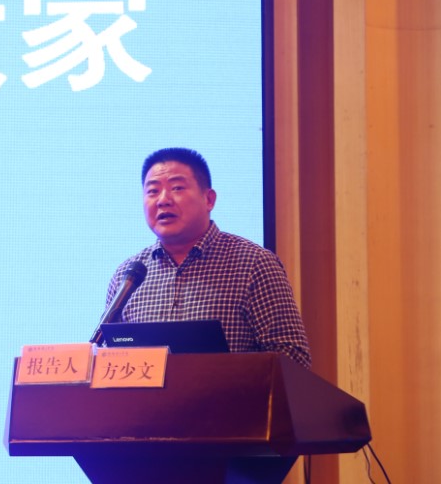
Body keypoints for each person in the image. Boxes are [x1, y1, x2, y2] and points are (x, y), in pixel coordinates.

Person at [105, 147, 311, 368]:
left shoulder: (254, 264)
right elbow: (107, 359)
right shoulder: (127, 275)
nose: (163, 200)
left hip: (230, 392)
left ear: (209, 199)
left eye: (177, 188)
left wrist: (226, 375)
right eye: (153, 191)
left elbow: (293, 358)